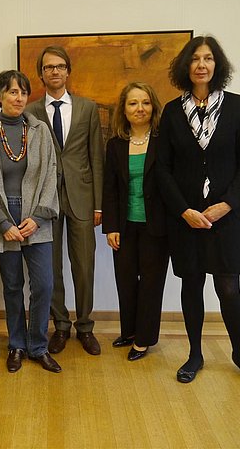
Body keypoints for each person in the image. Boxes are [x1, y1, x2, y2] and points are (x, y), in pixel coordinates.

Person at [157, 35, 240, 383]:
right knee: (191, 285)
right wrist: (183, 211)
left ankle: (239, 351)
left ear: (216, 65)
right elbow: (162, 168)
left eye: (207, 58)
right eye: (195, 59)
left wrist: (227, 204)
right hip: (187, 219)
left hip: (227, 217)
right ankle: (194, 354)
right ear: (185, 67)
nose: (201, 65)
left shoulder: (236, 107)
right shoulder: (173, 111)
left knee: (228, 288)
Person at [0, 70, 60, 372]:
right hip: (3, 219)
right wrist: (2, 223)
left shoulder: (39, 130)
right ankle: (17, 345)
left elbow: (51, 173)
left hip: (37, 216)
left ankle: (38, 346)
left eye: (23, 92)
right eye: (11, 92)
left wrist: (38, 216)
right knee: (12, 285)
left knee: (44, 285)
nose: (18, 97)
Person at [26, 45, 104, 356]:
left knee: (84, 265)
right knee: (51, 266)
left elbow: (96, 157)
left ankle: (85, 325)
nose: (55, 71)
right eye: (48, 67)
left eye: (60, 66)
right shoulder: (31, 111)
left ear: (68, 71)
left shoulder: (87, 108)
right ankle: (60, 325)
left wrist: (99, 204)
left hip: (82, 198)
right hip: (45, 200)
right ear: (41, 74)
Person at [102, 82, 169, 361]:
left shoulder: (164, 140)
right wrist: (111, 226)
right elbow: (110, 188)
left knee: (151, 284)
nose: (139, 108)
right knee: (126, 280)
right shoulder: (115, 144)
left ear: (153, 106)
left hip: (157, 226)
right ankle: (128, 331)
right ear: (124, 109)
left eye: (145, 102)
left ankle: (143, 340)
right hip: (125, 226)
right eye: (133, 103)